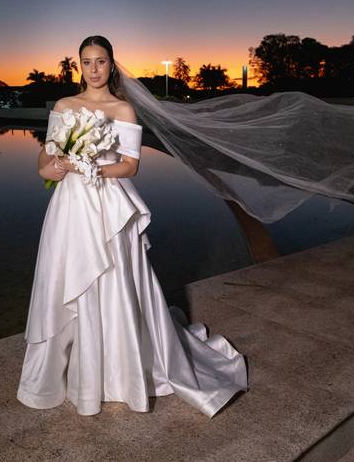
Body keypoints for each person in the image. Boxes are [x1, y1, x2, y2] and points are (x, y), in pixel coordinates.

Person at [17, 35, 249, 418]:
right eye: (87, 62)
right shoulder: (63, 106)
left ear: (112, 64)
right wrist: (52, 167)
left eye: (101, 61)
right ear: (80, 66)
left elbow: (129, 166)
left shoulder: (122, 109)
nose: (94, 69)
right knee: (68, 280)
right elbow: (48, 155)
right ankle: (69, 372)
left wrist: (89, 167)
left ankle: (120, 372)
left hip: (109, 207)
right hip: (70, 208)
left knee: (115, 281)